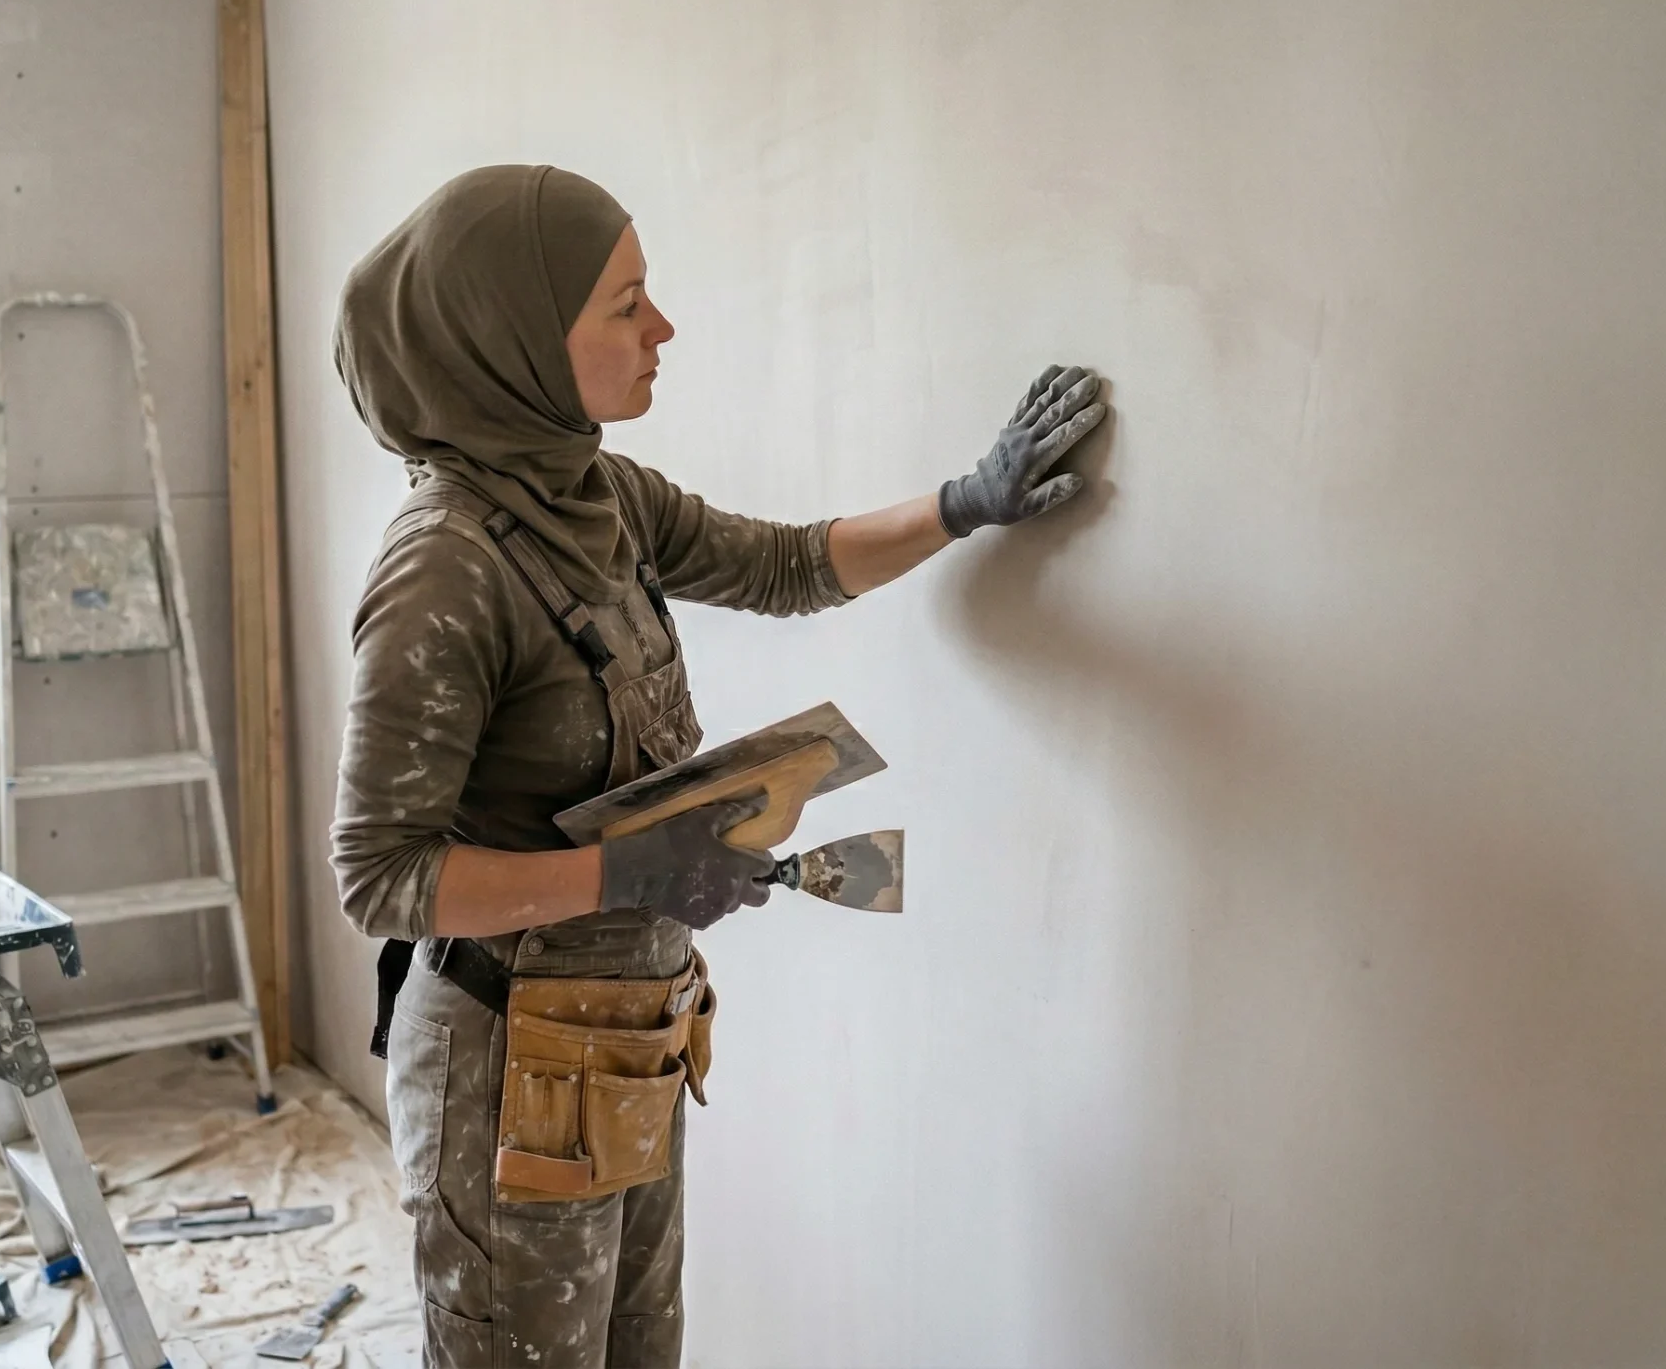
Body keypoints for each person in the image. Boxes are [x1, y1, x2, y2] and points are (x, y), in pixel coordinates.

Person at [330, 164, 1105, 1369]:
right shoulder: (445, 568)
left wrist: (964, 503)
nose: (663, 329)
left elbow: (784, 565)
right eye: (625, 304)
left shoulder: (596, 494)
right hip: (503, 1067)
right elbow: (380, 874)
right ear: (519, 341)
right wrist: (631, 872)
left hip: (625, 1038)